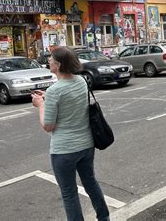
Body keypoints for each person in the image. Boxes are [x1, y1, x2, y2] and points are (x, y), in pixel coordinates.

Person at [31, 47, 110, 221]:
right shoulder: (81, 80)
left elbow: (48, 126)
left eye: (51, 59)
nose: (48, 61)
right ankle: (104, 217)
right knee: (91, 182)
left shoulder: (55, 91)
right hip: (87, 145)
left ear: (58, 65)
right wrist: (48, 98)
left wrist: (41, 105)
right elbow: (70, 101)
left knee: (69, 193)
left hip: (64, 150)